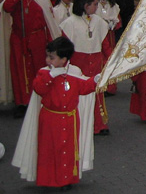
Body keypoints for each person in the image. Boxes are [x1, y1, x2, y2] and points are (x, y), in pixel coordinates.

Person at [12, 37, 98, 188]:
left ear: (64, 59)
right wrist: (52, 75)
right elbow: (39, 88)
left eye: (52, 57)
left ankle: (66, 179)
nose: (48, 61)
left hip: (70, 119)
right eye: (48, 57)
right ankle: (49, 179)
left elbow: (83, 88)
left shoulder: (73, 72)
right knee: (50, 150)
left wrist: (96, 80)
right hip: (51, 119)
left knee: (68, 149)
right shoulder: (44, 73)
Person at [3, 0, 60, 117]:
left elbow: (50, 22)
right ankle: (22, 102)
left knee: (38, 69)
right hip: (18, 38)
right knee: (20, 71)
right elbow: (7, 8)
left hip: (38, 39)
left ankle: (39, 100)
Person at [59, 0, 112, 136]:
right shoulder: (70, 22)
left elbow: (105, 43)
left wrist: (111, 60)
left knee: (97, 92)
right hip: (78, 62)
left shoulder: (99, 21)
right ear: (85, 5)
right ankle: (80, 124)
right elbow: (65, 47)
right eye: (94, 4)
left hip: (95, 61)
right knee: (80, 93)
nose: (96, 7)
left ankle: (99, 124)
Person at [94, 0, 120, 95]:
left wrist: (112, 24)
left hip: (109, 35)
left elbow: (118, 19)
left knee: (110, 58)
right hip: (98, 35)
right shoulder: (95, 4)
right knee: (100, 58)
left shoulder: (112, 4)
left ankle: (110, 86)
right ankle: (99, 84)